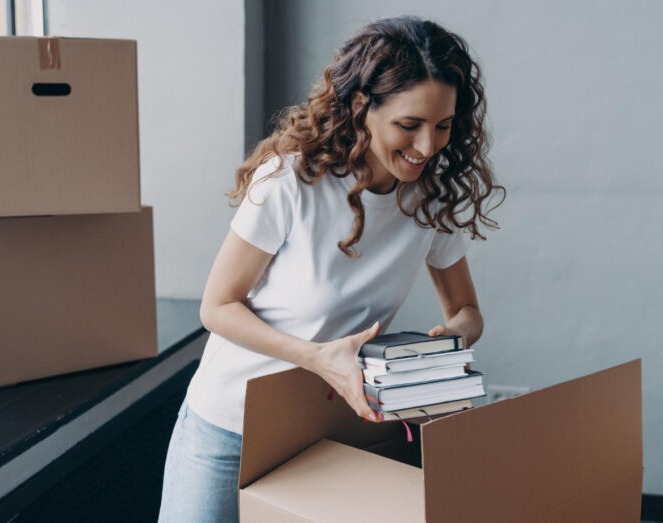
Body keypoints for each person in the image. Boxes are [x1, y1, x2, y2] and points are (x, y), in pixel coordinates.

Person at [157, 15, 505, 523]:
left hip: (333, 430)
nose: (428, 147)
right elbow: (217, 306)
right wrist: (317, 357)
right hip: (230, 425)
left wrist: (446, 344)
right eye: (409, 125)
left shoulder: (430, 200)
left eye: (444, 126)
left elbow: (467, 311)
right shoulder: (291, 181)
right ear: (362, 107)